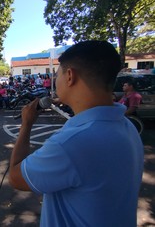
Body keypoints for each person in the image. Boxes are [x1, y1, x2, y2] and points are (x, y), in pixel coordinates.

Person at [8, 41, 144, 226]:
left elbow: (16, 177)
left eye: (57, 74)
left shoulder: (71, 143)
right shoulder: (127, 127)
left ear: (70, 75)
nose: (56, 80)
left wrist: (26, 124)